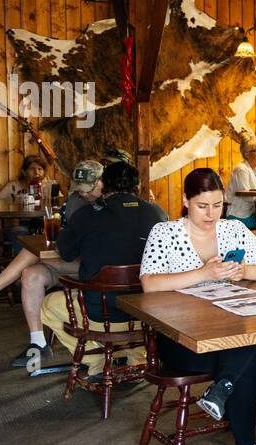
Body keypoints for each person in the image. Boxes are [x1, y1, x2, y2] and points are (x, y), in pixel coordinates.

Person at [140, 168, 256, 445]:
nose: (211, 214)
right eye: (203, 206)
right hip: (181, 339)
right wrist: (204, 274)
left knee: (244, 350)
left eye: (217, 205)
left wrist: (244, 271)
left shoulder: (232, 230)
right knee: (248, 358)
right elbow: (149, 284)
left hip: (228, 330)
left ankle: (225, 392)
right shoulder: (165, 232)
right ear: (185, 200)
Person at [0, 159, 114, 369]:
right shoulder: (75, 198)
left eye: (88, 189)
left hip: (92, 264)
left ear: (102, 182)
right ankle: (38, 342)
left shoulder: (110, 203)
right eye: (79, 189)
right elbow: (67, 230)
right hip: (69, 257)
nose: (83, 193)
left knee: (32, 249)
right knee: (30, 275)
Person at [39, 161, 166, 378]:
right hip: (148, 315)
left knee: (48, 305)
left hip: (99, 315)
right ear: (137, 186)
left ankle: (96, 360)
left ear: (104, 186)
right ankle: (136, 357)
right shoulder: (156, 214)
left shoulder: (87, 215)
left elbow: (66, 252)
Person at [226, 135, 256, 231]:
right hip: (239, 214)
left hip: (253, 212)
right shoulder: (241, 170)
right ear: (246, 154)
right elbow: (247, 196)